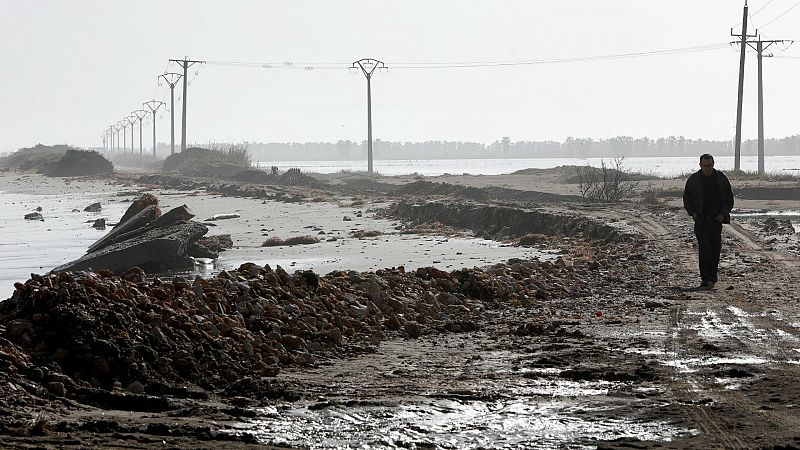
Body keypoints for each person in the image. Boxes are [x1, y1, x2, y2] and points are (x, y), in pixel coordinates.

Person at [683, 154, 734, 289]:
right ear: (700, 165)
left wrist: (723, 214)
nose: (708, 168)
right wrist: (693, 213)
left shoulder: (721, 178)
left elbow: (729, 198)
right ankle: (705, 278)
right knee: (704, 249)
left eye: (710, 165)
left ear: (713, 164)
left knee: (715, 249)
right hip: (701, 221)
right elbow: (687, 199)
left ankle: (713, 275)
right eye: (705, 166)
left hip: (716, 221)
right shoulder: (694, 180)